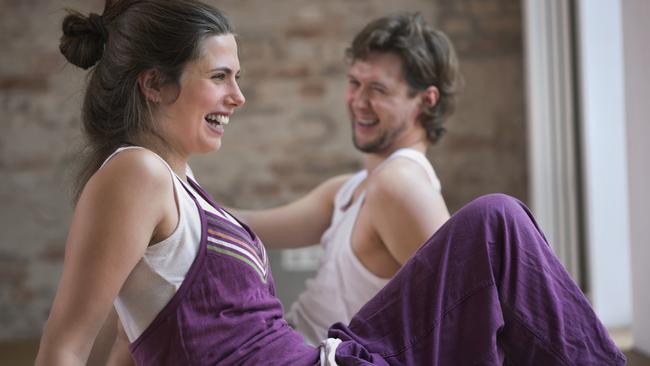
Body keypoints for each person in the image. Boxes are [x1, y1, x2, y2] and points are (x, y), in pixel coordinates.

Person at [35, 1, 625, 365]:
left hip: (334, 353)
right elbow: (65, 344)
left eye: (237, 77)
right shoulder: (138, 173)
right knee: (497, 223)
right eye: (220, 77)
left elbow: (133, 343)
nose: (238, 97)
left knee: (498, 227)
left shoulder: (177, 185)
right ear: (154, 85)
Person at [233, 12, 457, 345]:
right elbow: (246, 224)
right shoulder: (348, 189)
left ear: (425, 101)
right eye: (354, 83)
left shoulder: (401, 184)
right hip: (286, 345)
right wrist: (175, 194)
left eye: (378, 89)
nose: (359, 102)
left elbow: (460, 313)